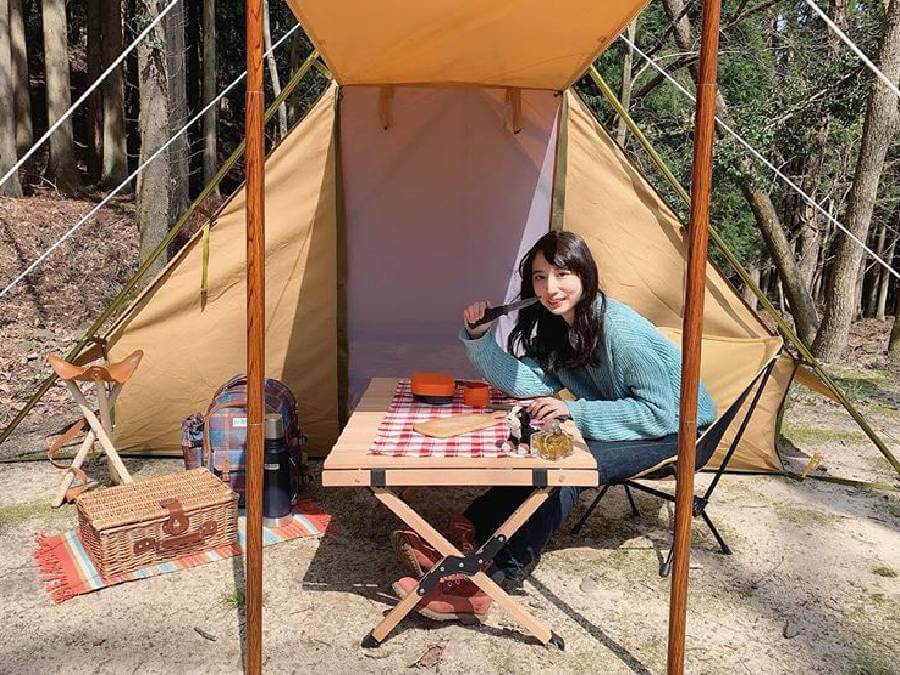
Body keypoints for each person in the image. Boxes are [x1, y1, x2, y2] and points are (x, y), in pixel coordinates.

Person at [391, 230, 717, 622]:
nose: (550, 288)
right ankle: (468, 532)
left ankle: (489, 583)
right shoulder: (561, 324)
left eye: (562, 274)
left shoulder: (619, 332)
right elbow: (527, 383)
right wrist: (479, 337)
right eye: (540, 277)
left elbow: (662, 412)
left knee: (566, 468)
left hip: (679, 431)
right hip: (637, 418)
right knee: (542, 447)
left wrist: (575, 413)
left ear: (585, 274)